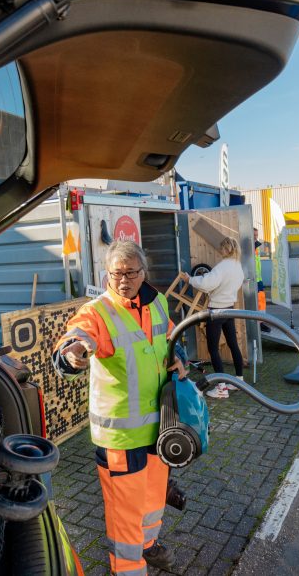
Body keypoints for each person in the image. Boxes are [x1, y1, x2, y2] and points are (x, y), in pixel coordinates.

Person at [52, 240, 186, 575]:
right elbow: (76, 337)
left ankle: (148, 545)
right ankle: (127, 568)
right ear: (107, 274)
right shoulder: (98, 311)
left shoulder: (157, 305)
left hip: (158, 427)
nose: (123, 280)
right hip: (121, 437)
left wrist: (179, 360)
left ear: (144, 273)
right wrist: (74, 352)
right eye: (116, 273)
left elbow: (168, 338)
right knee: (124, 509)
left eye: (130, 272)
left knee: (153, 496)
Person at [179, 236, 245, 399]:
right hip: (230, 309)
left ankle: (221, 388)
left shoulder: (222, 267)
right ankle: (238, 381)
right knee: (233, 344)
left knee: (213, 349)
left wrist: (190, 279)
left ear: (225, 249)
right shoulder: (238, 266)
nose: (219, 251)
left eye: (221, 249)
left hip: (216, 311)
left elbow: (206, 283)